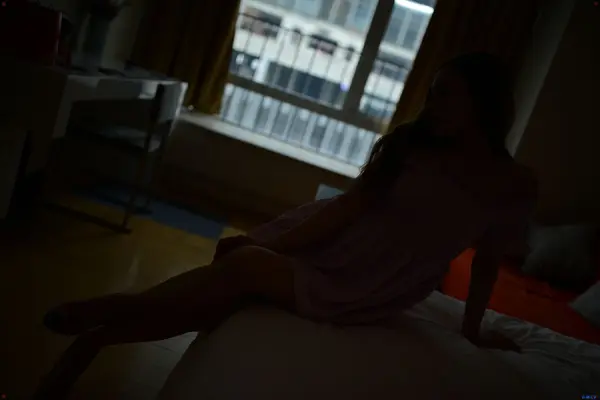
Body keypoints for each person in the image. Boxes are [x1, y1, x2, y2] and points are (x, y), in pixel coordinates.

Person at [35, 52, 536, 398]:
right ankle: (92, 342)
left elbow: (488, 261)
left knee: (241, 272)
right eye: (431, 94)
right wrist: (273, 243)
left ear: (484, 104)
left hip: (367, 281)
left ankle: (108, 313)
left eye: (445, 96)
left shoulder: (511, 184)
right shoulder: (416, 146)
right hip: (328, 239)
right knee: (224, 291)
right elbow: (347, 208)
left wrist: (473, 331)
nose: (431, 107)